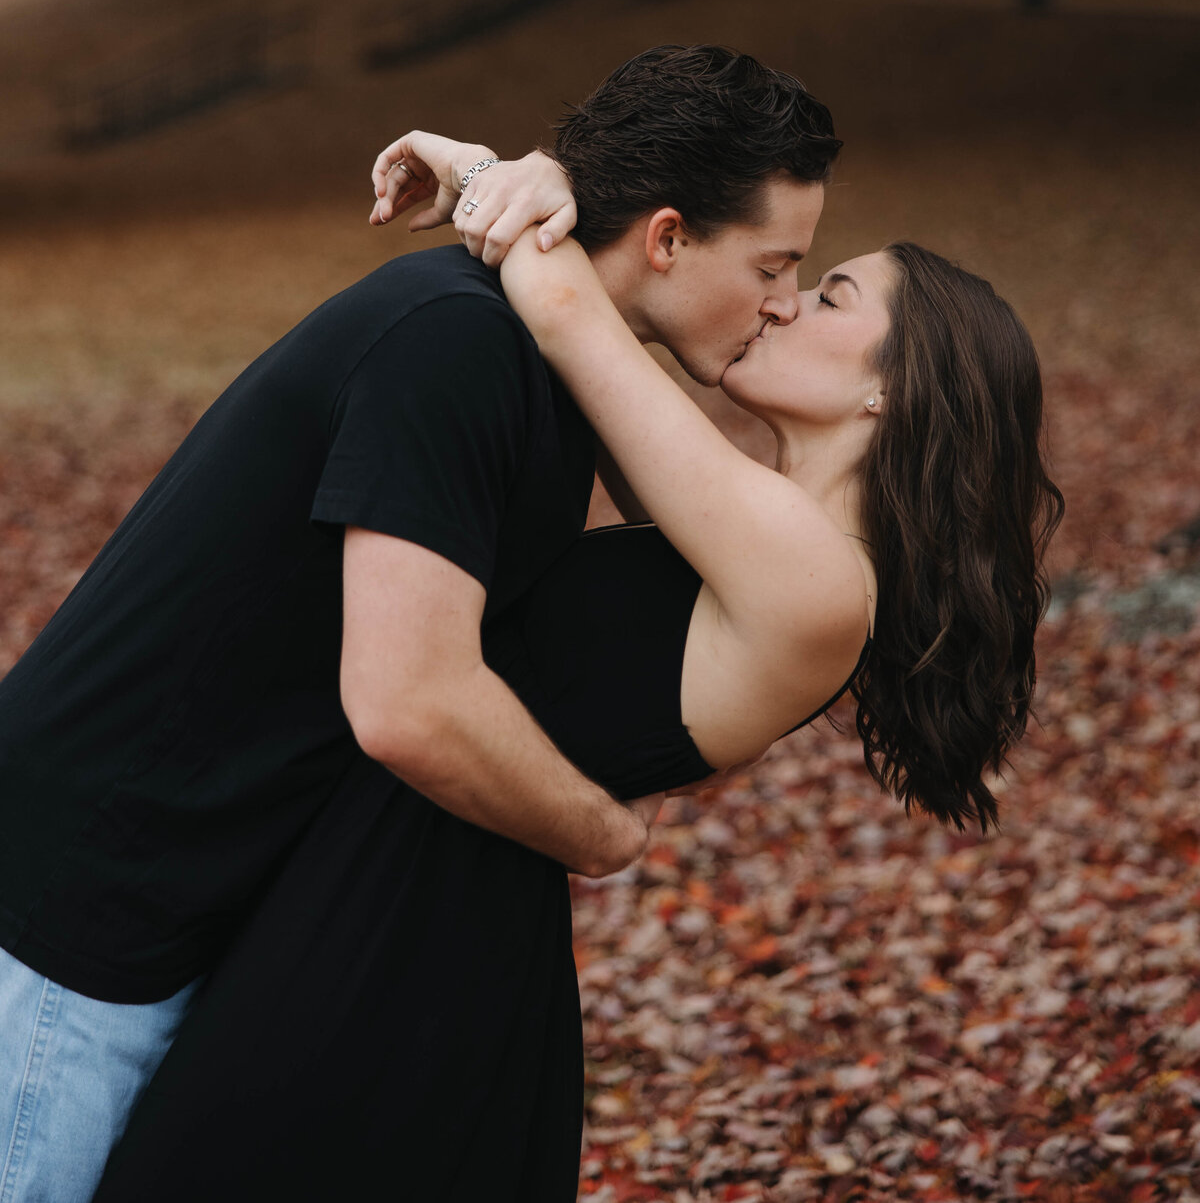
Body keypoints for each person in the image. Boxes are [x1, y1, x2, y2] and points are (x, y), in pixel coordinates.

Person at [90, 130, 1062, 1202]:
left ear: (895, 391)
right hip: (407, 900)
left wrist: (498, 175)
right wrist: (564, 191)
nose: (784, 305)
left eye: (828, 295)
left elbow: (570, 318)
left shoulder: (817, 579)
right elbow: (604, 360)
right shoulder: (767, 536)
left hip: (407, 937)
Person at [0, 45, 839, 1203]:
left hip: (178, 902)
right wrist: (603, 836)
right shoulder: (456, 344)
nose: (784, 300)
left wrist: (512, 178)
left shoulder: (537, 355)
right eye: (776, 265)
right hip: (75, 923)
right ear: (667, 238)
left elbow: (686, 548)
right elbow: (409, 701)